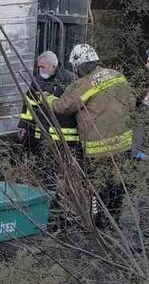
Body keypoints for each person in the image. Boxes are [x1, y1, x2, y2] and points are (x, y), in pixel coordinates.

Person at [52, 44, 134, 226]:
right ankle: (114, 221)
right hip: (123, 145)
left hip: (99, 150)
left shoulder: (84, 84)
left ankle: (100, 224)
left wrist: (48, 99)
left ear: (79, 66)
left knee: (98, 187)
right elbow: (131, 102)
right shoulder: (118, 76)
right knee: (117, 184)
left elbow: (63, 107)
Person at [18, 50, 79, 149]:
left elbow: (72, 107)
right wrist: (23, 125)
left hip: (65, 139)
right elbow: (29, 104)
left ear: (53, 66)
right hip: (41, 136)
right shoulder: (37, 81)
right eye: (39, 67)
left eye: (43, 67)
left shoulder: (70, 80)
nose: (40, 70)